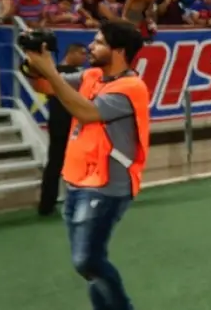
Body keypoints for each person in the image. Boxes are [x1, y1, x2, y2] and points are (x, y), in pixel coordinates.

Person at [24, 20, 150, 310]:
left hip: (107, 184)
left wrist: (50, 70)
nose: (91, 47)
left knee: (87, 261)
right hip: (78, 179)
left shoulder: (131, 86)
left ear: (119, 51)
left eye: (99, 42)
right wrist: (32, 61)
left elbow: (87, 112)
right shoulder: (92, 75)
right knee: (90, 266)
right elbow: (44, 85)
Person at [38, 40, 89, 217]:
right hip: (65, 121)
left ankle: (50, 204)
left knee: (60, 162)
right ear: (71, 53)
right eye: (82, 53)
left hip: (67, 121)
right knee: (60, 163)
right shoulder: (69, 74)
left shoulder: (59, 73)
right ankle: (51, 203)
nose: (85, 57)